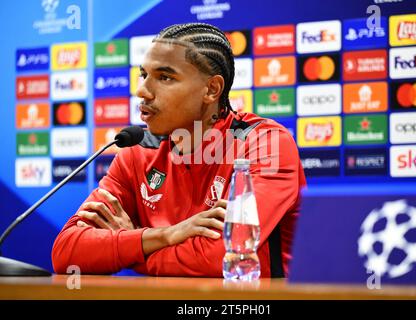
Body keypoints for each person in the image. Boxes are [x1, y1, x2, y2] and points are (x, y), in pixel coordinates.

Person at [52, 22, 306, 277]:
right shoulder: (136, 152)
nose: (142, 91)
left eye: (165, 77)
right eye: (144, 75)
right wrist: (165, 235)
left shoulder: (265, 143)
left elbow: (220, 257)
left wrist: (133, 245)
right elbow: (67, 253)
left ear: (211, 89)